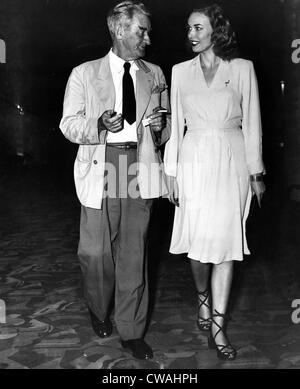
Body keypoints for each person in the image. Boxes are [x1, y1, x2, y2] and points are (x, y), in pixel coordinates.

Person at [60, 1, 170, 360]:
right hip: (102, 162)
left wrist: (159, 129)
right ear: (120, 30)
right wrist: (97, 125)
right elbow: (68, 124)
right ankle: (97, 304)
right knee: (94, 253)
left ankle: (132, 330)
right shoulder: (84, 73)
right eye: (142, 31)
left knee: (134, 253)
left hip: (138, 164)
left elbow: (165, 131)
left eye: (147, 31)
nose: (147, 39)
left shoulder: (154, 73)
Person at [164, 4, 265, 361]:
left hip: (231, 160)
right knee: (198, 244)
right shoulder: (179, 72)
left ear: (215, 31)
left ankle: (219, 327)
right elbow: (175, 126)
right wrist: (170, 172)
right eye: (189, 28)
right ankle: (202, 297)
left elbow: (251, 122)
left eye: (197, 28)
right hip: (192, 160)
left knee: (225, 243)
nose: (190, 34)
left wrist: (256, 172)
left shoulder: (241, 69)